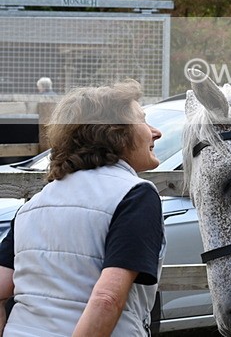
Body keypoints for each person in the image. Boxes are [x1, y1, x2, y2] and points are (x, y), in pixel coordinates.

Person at [0, 80, 166, 336]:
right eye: (142, 121)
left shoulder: (34, 204)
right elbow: (107, 299)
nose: (156, 132)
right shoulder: (135, 195)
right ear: (115, 133)